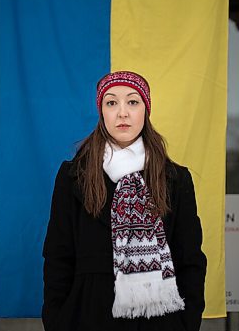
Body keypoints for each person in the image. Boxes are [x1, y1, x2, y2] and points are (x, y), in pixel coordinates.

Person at [42, 71, 207, 331]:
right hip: (87, 317)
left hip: (159, 322)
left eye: (132, 102)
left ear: (146, 110)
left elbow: (190, 261)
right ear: (102, 112)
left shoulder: (175, 178)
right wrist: (58, 321)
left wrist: (185, 324)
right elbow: (58, 256)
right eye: (111, 103)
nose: (122, 113)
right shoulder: (73, 176)